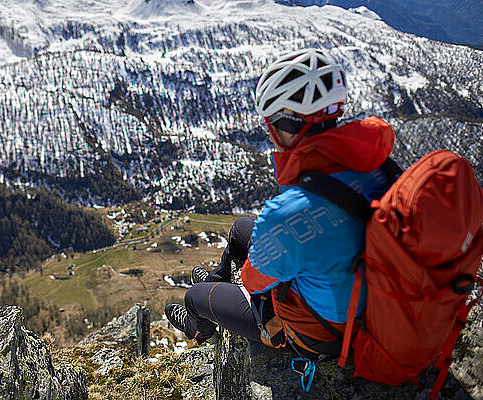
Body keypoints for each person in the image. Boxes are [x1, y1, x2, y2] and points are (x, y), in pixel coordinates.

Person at [165, 48, 396, 357]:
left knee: (194, 295)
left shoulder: (288, 214)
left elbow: (253, 280)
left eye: (269, 124)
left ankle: (198, 327)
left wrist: (270, 255)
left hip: (321, 332)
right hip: (371, 299)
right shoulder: (378, 166)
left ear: (285, 127)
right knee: (241, 229)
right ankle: (216, 281)